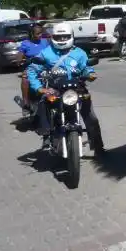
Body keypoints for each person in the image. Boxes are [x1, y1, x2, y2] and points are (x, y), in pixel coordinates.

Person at [27, 22, 104, 154]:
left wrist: (90, 74)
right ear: (53, 37)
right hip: (55, 90)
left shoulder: (79, 53)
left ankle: (98, 146)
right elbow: (32, 70)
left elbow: (86, 67)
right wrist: (39, 88)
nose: (62, 40)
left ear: (71, 36)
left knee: (91, 117)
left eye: (65, 37)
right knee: (44, 103)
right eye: (58, 37)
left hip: (76, 89)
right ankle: (46, 135)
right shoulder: (46, 53)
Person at [18, 23, 48, 112]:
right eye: (37, 34)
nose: (40, 35)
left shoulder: (45, 42)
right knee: (25, 79)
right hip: (32, 68)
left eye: (41, 33)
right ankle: (26, 103)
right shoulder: (25, 44)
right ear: (31, 34)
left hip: (45, 67)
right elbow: (19, 56)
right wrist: (19, 59)